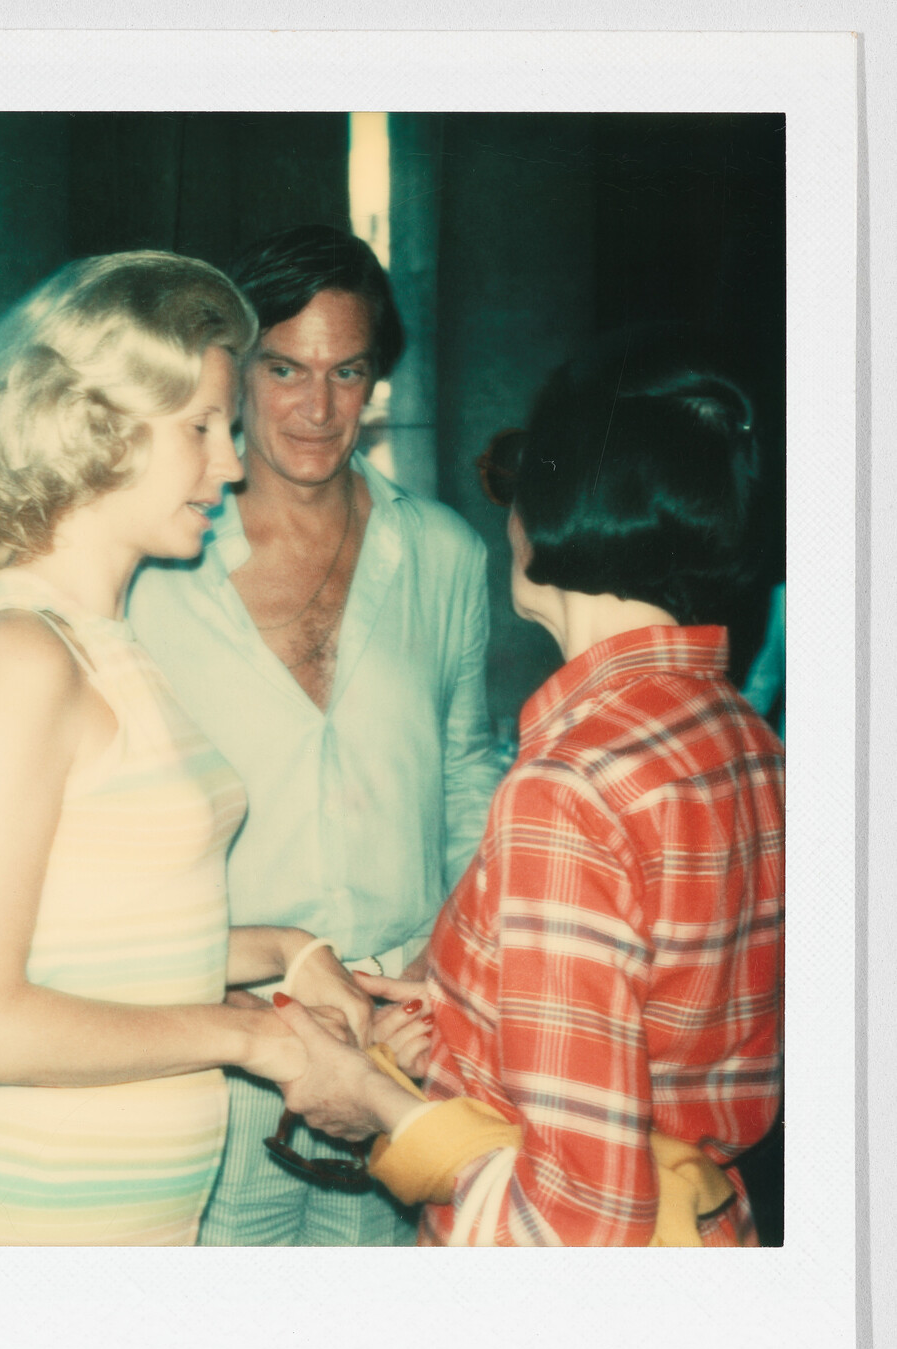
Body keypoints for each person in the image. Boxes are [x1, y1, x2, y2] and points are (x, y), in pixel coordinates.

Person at [0, 252, 370, 1248]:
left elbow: (106, 945)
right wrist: (258, 1037)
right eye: (198, 427)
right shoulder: (17, 654)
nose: (230, 464)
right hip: (27, 1226)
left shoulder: (104, 641)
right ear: (90, 427)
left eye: (226, 429)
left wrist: (285, 954)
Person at [270, 335, 785, 1247]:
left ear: (547, 516)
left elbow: (574, 1217)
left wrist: (379, 1102)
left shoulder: (570, 783)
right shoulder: (740, 735)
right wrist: (449, 1005)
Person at [128, 224, 499, 1246]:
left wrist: (453, 981)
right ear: (234, 371)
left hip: (396, 1038)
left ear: (376, 378)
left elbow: (465, 775)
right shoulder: (157, 563)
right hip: (221, 1025)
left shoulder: (444, 554)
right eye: (283, 368)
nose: (316, 407)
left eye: (347, 372)